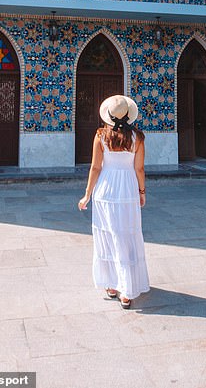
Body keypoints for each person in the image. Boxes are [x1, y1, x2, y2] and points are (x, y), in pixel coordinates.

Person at [78, 94, 150, 309]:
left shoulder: (101, 136)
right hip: (127, 189)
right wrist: (142, 191)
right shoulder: (137, 137)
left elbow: (95, 167)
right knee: (126, 235)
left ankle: (112, 284)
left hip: (106, 190)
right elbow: (139, 168)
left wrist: (87, 194)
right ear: (129, 116)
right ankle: (126, 290)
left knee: (109, 235)